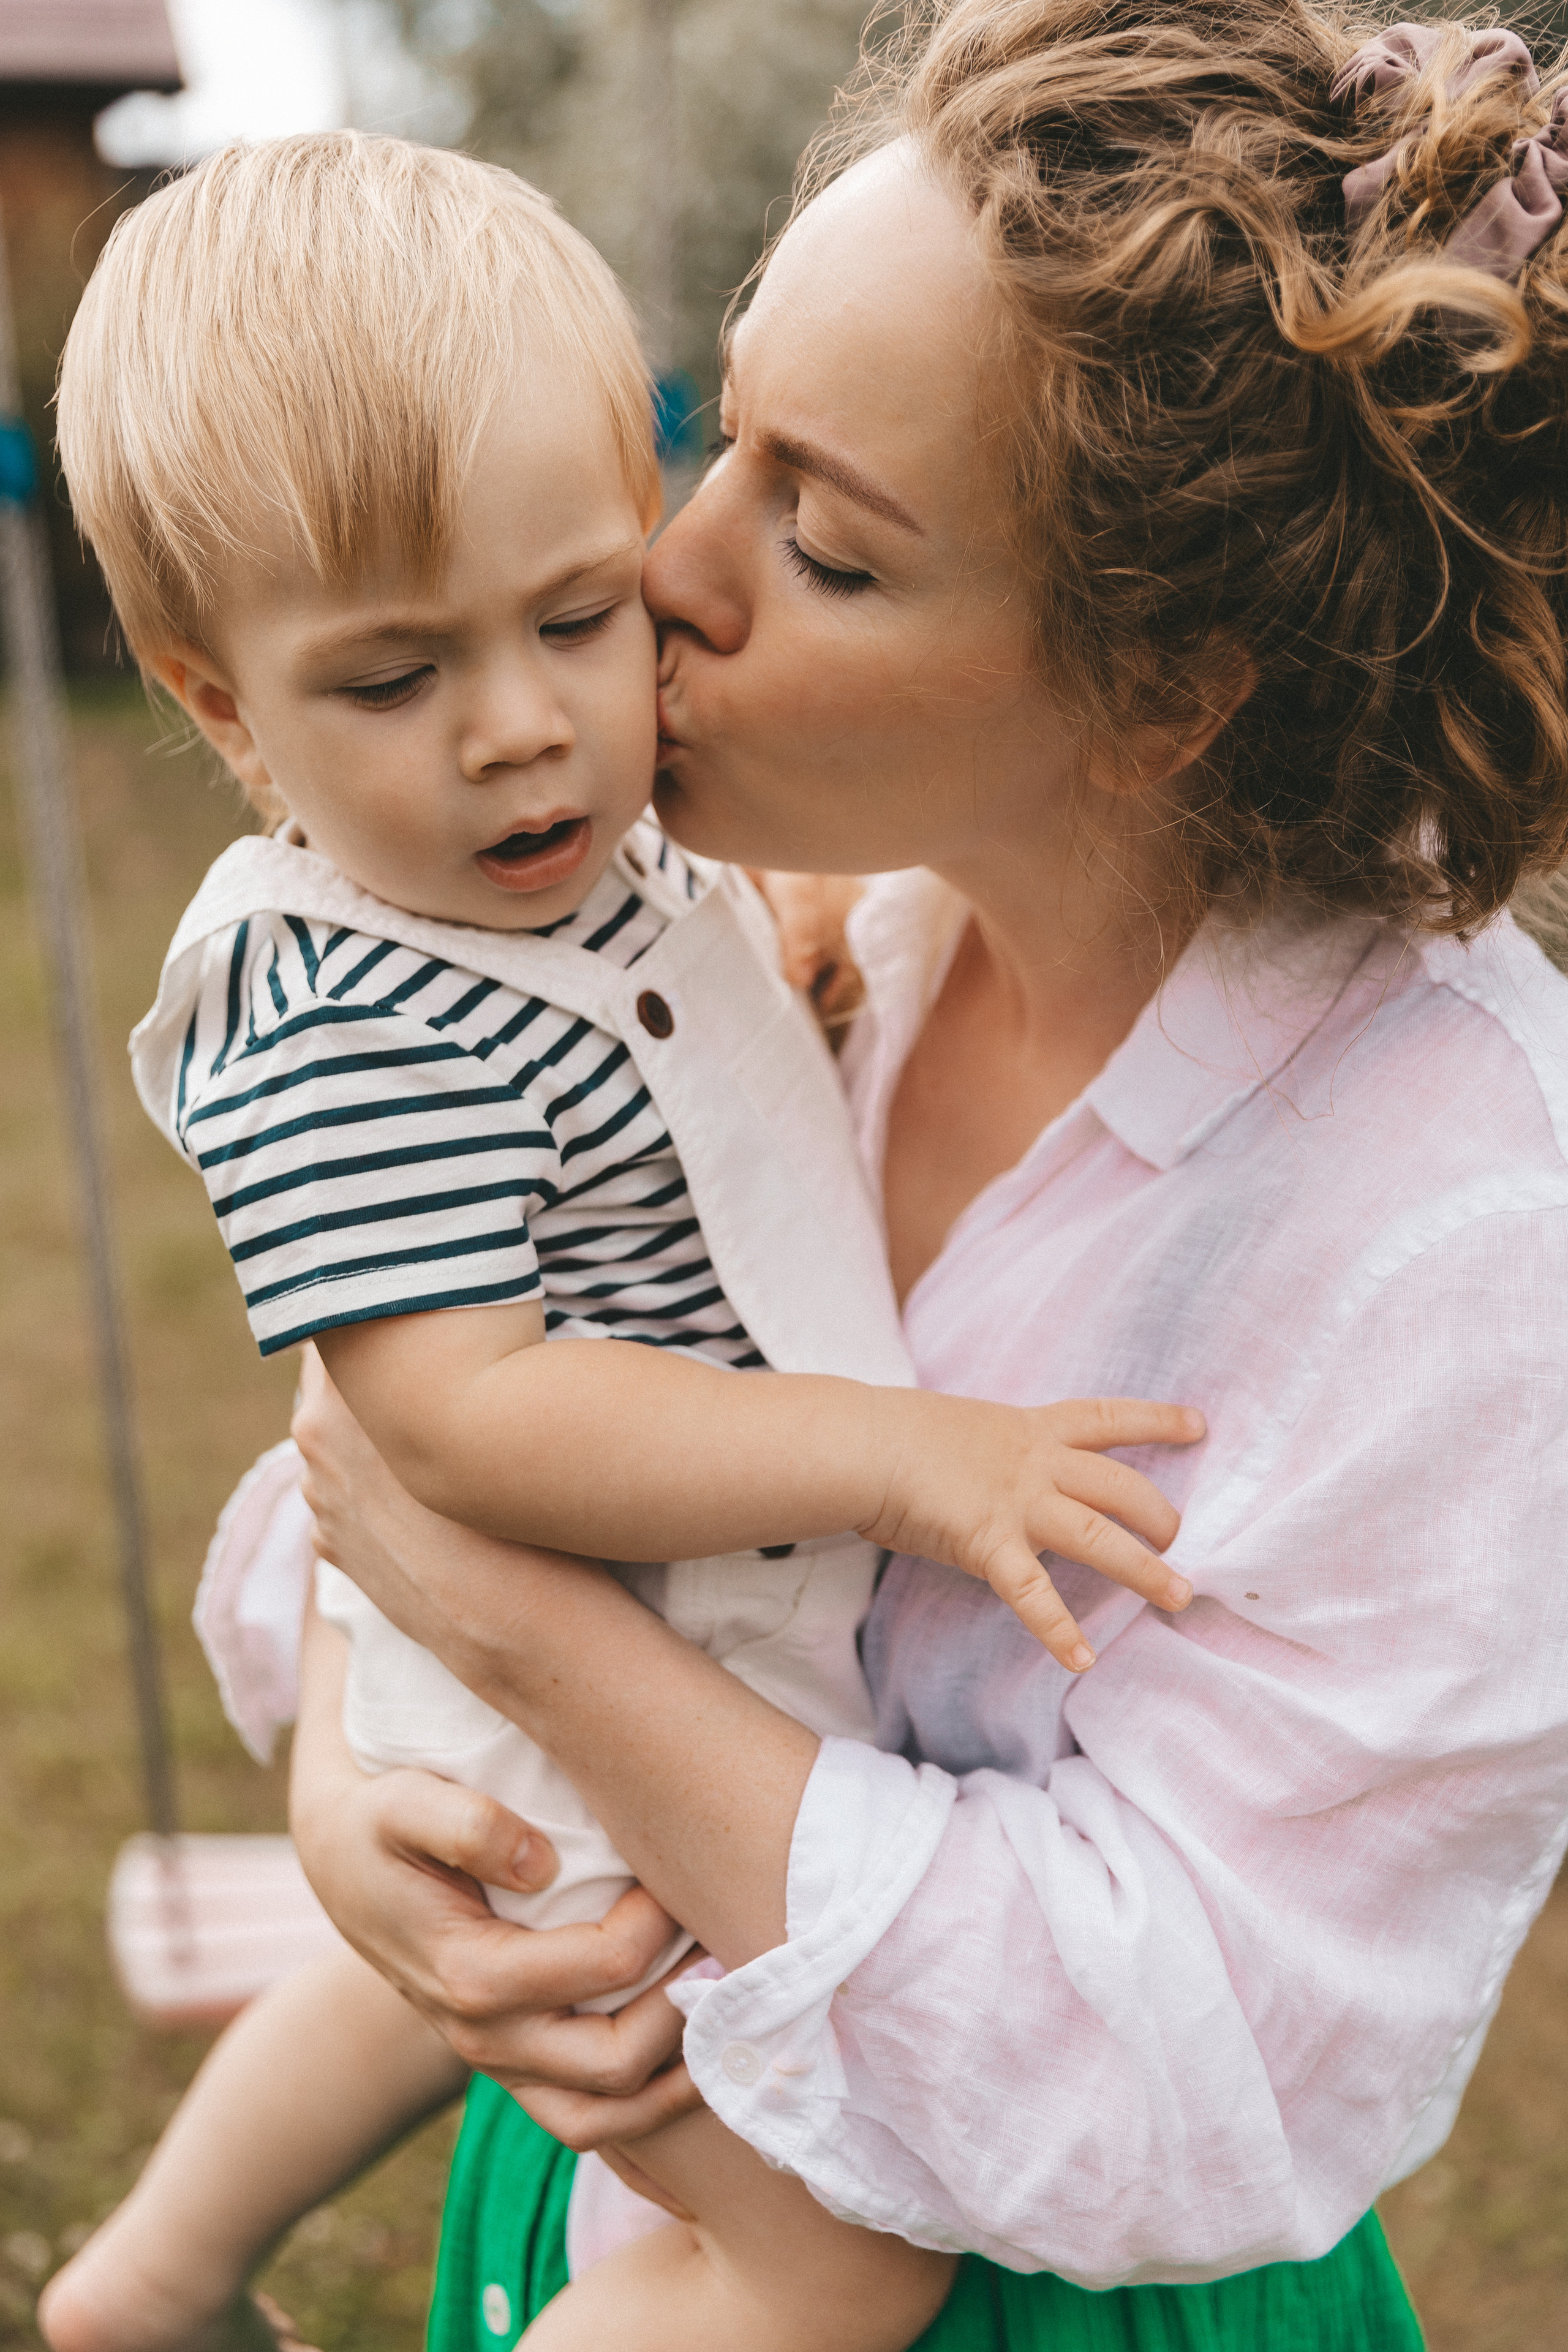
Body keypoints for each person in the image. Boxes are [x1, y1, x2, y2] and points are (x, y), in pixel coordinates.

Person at [265, 6, 1568, 2350]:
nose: (666, 572)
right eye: (723, 434)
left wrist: (509, 1624)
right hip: (604, 2166)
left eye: (828, 545)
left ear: (1165, 690)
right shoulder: (742, 931)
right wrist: (354, 1817)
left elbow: (1172, 2066)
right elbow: (402, 1433)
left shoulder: (1465, 1226)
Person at [38, 131, 1203, 2352]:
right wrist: (905, 1459)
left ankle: (151, 2280)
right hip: (597, 1719)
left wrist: (790, 995)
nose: (519, 728)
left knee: (406, 2001)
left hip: (643, 1679)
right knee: (837, 2260)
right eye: (390, 681)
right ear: (220, 707)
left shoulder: (593, 869)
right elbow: (462, 1424)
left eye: (578, 616)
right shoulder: (343, 1003)